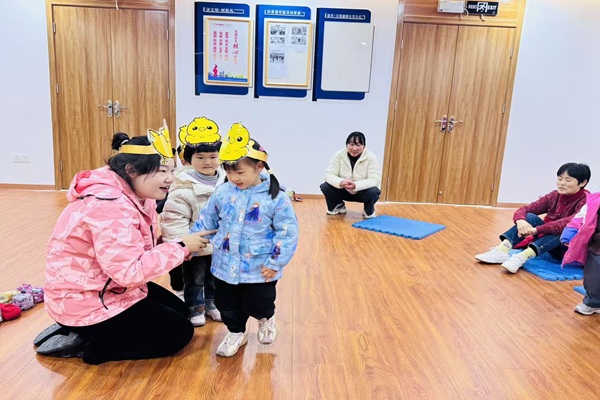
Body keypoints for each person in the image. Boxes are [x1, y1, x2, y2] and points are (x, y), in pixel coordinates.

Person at [34, 123, 214, 365]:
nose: (170, 178)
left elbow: (131, 249)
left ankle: (79, 329)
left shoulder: (137, 194)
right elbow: (129, 272)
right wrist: (180, 248)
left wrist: (171, 245)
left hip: (107, 288)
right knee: (178, 333)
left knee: (181, 311)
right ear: (131, 170)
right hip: (89, 300)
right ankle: (90, 346)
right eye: (161, 171)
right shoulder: (109, 206)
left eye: (172, 170)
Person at [191, 122, 298, 357]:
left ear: (259, 167)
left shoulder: (276, 198)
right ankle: (236, 332)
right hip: (224, 265)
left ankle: (266, 319)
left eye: (240, 172)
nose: (233, 178)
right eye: (228, 172)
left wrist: (275, 262)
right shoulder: (223, 192)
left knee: (259, 302)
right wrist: (191, 243)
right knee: (227, 305)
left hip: (260, 268)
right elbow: (208, 219)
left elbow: (287, 232)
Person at [160, 120, 225, 327]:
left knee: (216, 277)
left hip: (220, 244)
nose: (207, 162)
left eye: (213, 157)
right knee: (194, 279)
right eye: (200, 157)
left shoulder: (227, 183)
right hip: (196, 245)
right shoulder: (183, 188)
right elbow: (174, 219)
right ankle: (195, 307)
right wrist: (183, 244)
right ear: (188, 159)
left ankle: (212, 304)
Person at [475, 162, 591, 273]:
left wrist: (536, 230)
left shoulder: (587, 201)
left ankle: (522, 257)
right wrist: (521, 221)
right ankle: (502, 250)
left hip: (564, 247)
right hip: (545, 238)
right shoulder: (554, 195)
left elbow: (567, 223)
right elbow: (526, 209)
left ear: (582, 183)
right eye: (560, 179)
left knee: (562, 230)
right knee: (529, 217)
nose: (562, 183)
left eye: (568, 180)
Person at [320, 131, 381, 218]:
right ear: (347, 145)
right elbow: (329, 174)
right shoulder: (338, 155)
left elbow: (375, 179)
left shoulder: (371, 157)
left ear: (364, 146)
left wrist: (356, 185)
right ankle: (338, 205)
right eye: (351, 144)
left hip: (362, 191)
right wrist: (341, 182)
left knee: (374, 192)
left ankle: (368, 210)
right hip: (343, 189)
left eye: (358, 145)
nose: (354, 148)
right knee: (325, 186)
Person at [561, 192, 600, 315]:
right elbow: (581, 218)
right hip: (598, 245)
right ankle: (593, 303)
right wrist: (570, 232)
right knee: (594, 275)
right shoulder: (595, 201)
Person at [156, 145, 187, 300]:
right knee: (177, 265)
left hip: (198, 233)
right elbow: (160, 207)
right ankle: (179, 291)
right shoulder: (176, 182)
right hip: (176, 233)